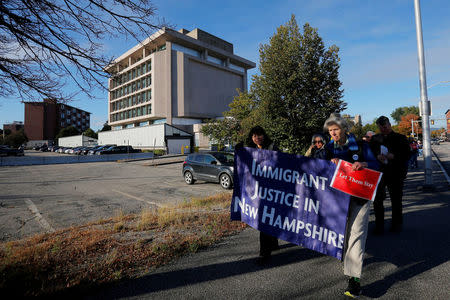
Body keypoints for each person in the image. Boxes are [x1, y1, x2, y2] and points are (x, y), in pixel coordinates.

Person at [323, 113, 379, 298]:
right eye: (330, 131)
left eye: (336, 130)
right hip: (337, 199)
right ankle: (349, 261)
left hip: (359, 198)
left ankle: (354, 280)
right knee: (343, 234)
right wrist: (328, 162)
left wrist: (363, 163)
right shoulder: (328, 148)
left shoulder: (361, 145)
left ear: (345, 129)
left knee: (357, 234)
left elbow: (376, 165)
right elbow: (315, 165)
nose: (333, 134)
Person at [242, 126, 279, 263]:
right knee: (266, 219)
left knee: (267, 219)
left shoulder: (272, 147)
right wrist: (239, 151)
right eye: (254, 136)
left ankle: (265, 252)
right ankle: (270, 247)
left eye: (259, 135)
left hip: (272, 190)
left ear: (264, 135)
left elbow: (281, 165)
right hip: (258, 191)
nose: (257, 138)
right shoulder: (251, 151)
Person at [372, 116, 410, 234]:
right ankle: (379, 226)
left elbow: (407, 155)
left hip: (396, 173)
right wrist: (377, 156)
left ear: (389, 125)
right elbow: (370, 153)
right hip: (379, 173)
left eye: (385, 127)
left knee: (396, 200)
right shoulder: (375, 139)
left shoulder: (401, 138)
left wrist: (394, 156)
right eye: (381, 127)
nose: (383, 129)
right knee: (378, 201)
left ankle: (396, 225)